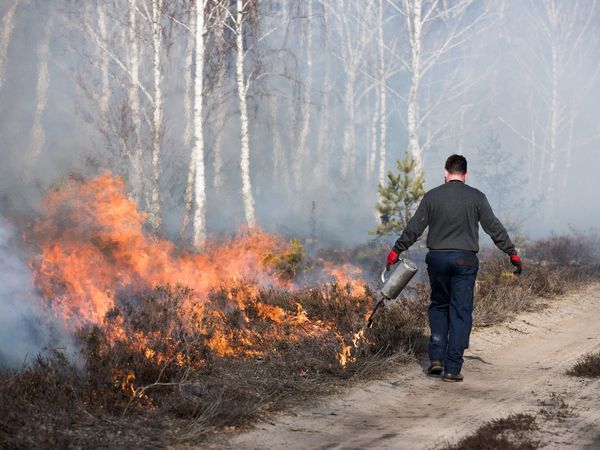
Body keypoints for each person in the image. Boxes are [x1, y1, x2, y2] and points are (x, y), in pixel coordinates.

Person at [385, 154, 522, 382]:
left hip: (437, 260)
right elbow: (494, 228)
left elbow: (414, 228)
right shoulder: (477, 197)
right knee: (460, 311)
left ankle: (436, 359)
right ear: (465, 175)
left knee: (439, 305)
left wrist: (396, 251)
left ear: (446, 173)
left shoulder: (432, 196)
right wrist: (512, 253)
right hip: (465, 261)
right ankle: (452, 368)